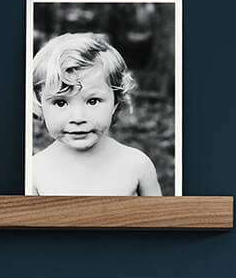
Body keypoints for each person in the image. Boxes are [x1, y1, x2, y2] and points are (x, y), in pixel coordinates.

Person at [29, 33, 162, 196]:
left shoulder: (137, 165)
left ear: (115, 102)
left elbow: (159, 221)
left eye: (93, 101)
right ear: (39, 102)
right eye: (61, 102)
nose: (78, 118)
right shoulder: (34, 171)